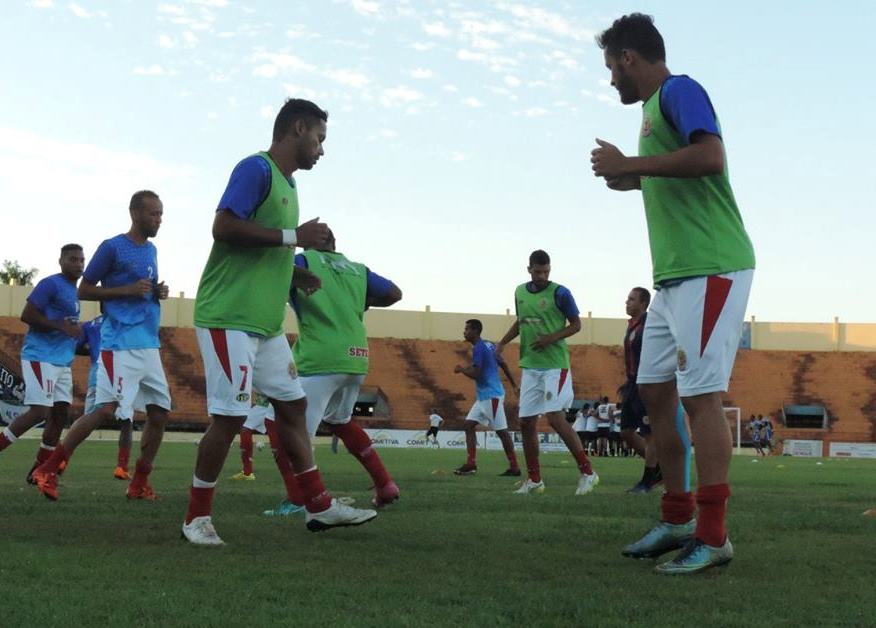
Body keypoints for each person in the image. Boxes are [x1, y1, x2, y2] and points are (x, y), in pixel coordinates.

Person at [593, 14, 756, 574]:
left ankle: (713, 537)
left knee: (700, 398)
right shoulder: (648, 112)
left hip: (711, 266)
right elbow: (676, 171)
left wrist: (632, 164)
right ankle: (677, 515)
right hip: (671, 279)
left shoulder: (679, 90)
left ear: (630, 58)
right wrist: (633, 178)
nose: (611, 79)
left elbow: (710, 156)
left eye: (612, 67)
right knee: (654, 389)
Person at [183, 98, 376, 546]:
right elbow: (224, 227)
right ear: (298, 128)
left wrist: (293, 269)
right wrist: (295, 238)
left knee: (293, 408)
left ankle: (318, 504)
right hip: (228, 318)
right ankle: (196, 518)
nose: (322, 151)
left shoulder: (289, 186)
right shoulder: (256, 169)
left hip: (266, 327)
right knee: (229, 418)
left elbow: (264, 249)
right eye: (320, 139)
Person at [32, 191, 174, 502]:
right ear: (135, 213)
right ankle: (48, 469)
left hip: (148, 343)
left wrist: (156, 292)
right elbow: (84, 289)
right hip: (119, 343)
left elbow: (144, 291)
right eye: (153, 214)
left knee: (160, 412)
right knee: (106, 409)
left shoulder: (151, 250)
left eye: (161, 214)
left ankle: (138, 482)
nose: (159, 220)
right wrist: (127, 289)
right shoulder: (112, 248)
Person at [286, 230, 403, 508]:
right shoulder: (358, 270)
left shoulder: (306, 261)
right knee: (340, 421)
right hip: (356, 356)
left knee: (295, 433)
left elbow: (276, 270)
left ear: (315, 241)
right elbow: (395, 293)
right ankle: (385, 484)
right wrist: (363, 301)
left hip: (320, 357)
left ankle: (303, 499)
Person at [495, 249, 598, 495]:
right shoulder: (520, 291)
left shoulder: (561, 293)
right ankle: (534, 480)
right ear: (529, 269)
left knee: (554, 418)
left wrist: (551, 338)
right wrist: (502, 343)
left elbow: (576, 324)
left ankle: (588, 472)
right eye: (538, 271)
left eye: (546, 271)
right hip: (530, 365)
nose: (542, 275)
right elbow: (521, 322)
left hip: (555, 366)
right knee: (526, 422)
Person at [0, 244, 84, 481]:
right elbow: (27, 315)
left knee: (60, 415)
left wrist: (75, 336)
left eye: (81, 260)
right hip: (41, 357)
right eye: (73, 259)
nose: (78, 264)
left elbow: (65, 327)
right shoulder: (51, 284)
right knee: (39, 411)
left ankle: (39, 470)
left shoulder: (72, 291)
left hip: (62, 362)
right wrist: (61, 326)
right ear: (61, 261)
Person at [453, 318, 520, 477]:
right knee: (468, 426)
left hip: (492, 397)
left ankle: (515, 467)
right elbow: (502, 363)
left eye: (467, 329)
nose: (464, 332)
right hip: (484, 397)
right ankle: (471, 464)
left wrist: (462, 369)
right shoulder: (489, 345)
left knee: (502, 432)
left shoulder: (479, 348)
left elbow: (476, 374)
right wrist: (513, 384)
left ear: (475, 331)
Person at [76, 312, 135, 481]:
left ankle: (61, 460)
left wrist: (91, 349)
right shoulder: (125, 319)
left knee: (89, 418)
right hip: (122, 372)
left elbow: (76, 346)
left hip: (98, 372)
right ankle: (121, 467)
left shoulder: (90, 324)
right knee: (126, 421)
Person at [621, 287, 662, 492]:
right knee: (626, 431)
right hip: (631, 385)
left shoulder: (649, 325)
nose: (627, 302)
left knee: (650, 434)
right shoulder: (632, 325)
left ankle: (648, 480)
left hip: (644, 384)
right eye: (627, 299)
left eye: (631, 299)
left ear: (644, 303)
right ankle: (659, 469)